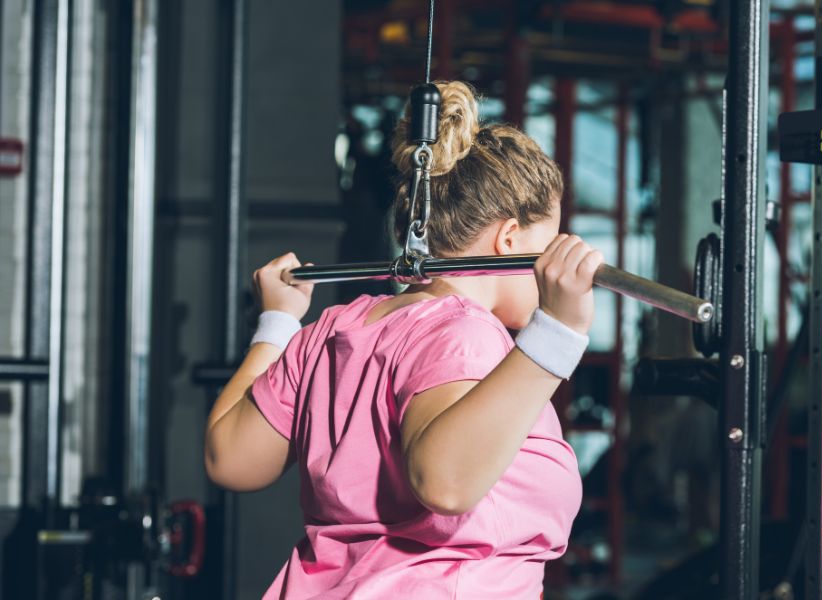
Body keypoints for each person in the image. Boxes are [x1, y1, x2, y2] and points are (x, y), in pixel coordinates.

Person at [204, 81, 602, 599]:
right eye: (549, 238)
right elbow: (446, 483)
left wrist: (279, 323)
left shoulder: (332, 330)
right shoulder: (464, 331)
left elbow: (228, 458)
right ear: (510, 239)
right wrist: (558, 333)